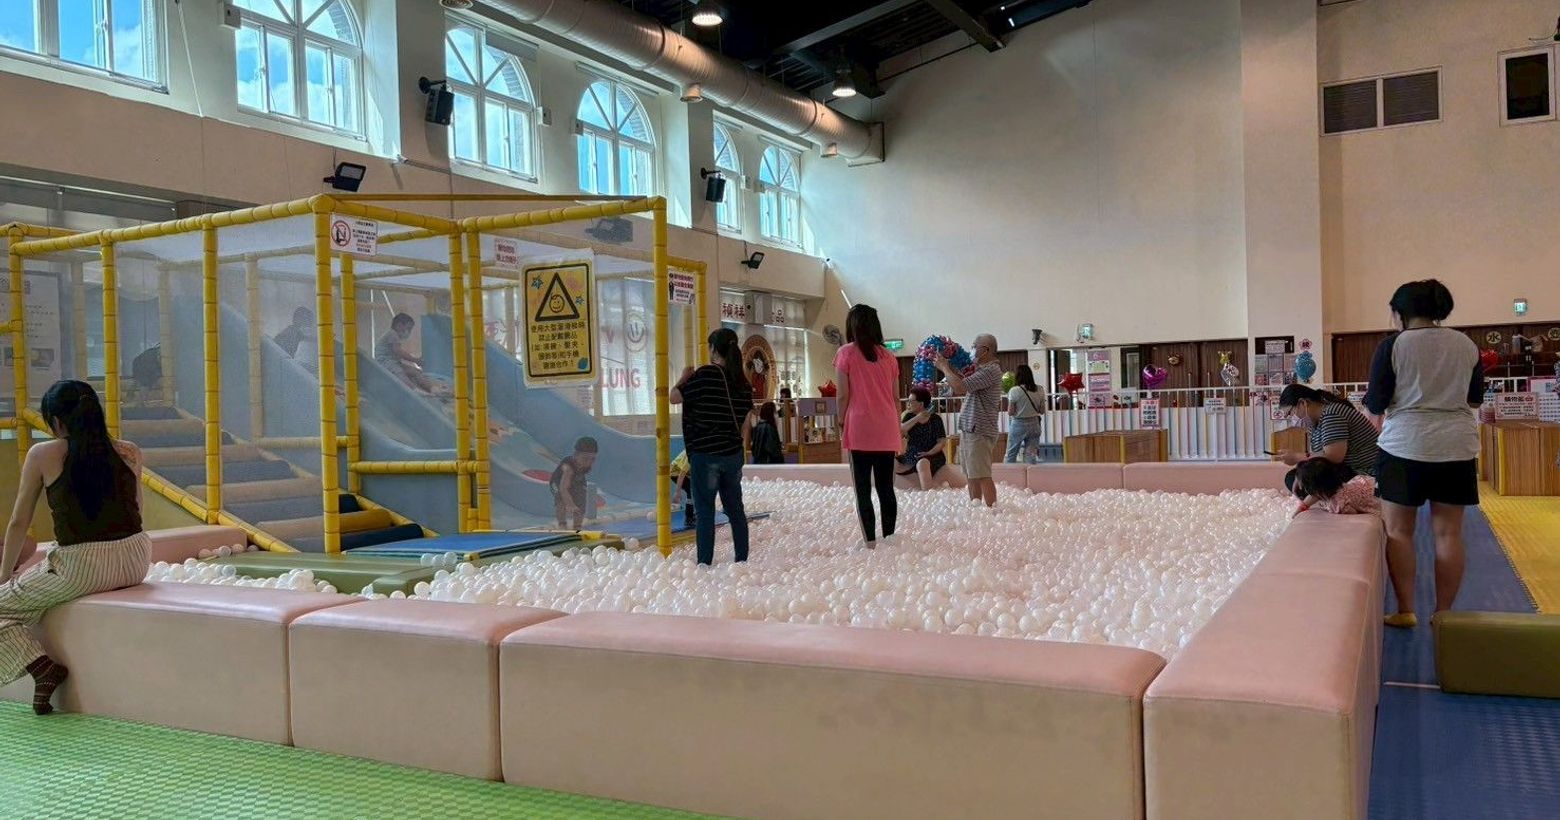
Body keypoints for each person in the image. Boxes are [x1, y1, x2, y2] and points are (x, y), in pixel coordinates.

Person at [0, 380, 151, 716]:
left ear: (56, 421)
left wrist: (5, 576)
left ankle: (41, 667)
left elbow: (18, 522)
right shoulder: (128, 451)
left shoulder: (43, 454)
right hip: (136, 558)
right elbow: (138, 510)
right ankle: (42, 670)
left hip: (83, 567)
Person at [1362, 279, 1483, 629]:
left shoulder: (1393, 346)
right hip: (1456, 446)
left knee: (1399, 532)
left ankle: (1406, 610)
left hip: (1404, 446)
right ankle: (1443, 615)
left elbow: (1376, 404)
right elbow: (1474, 399)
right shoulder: (1465, 344)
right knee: (1449, 534)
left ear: (1399, 313)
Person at [670, 328, 753, 565]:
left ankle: (704, 564)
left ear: (714, 349)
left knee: (705, 511)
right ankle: (742, 561)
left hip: (706, 454)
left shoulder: (706, 374)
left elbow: (674, 397)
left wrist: (683, 378)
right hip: (732, 454)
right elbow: (745, 423)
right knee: (735, 510)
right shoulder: (742, 383)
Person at [833, 305, 902, 546]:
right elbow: (896, 398)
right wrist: (897, 428)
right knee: (886, 489)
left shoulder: (845, 353)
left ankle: (870, 542)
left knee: (862, 489)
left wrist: (840, 421)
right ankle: (890, 538)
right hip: (887, 429)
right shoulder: (889, 357)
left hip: (859, 428)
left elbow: (843, 395)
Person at [935, 333, 1003, 507]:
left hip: (980, 429)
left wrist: (945, 368)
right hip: (969, 428)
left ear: (985, 350)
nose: (971, 349)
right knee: (971, 474)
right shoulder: (978, 369)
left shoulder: (991, 370)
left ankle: (992, 511)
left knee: (982, 474)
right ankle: (976, 509)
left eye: (974, 346)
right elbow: (956, 386)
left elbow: (960, 387)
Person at [1276, 383, 1380, 493]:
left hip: (1365, 474)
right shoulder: (1314, 424)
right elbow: (1318, 457)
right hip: (1346, 469)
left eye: (1290, 413)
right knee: (1295, 476)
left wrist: (1297, 457)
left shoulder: (1332, 414)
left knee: (1308, 478)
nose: (1292, 419)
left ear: (1302, 403)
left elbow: (1334, 456)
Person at [898, 387, 965, 490]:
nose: (908, 404)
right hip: (912, 454)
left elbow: (941, 442)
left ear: (921, 404)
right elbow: (901, 431)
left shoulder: (935, 419)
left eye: (911, 401)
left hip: (933, 454)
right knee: (890, 461)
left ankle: (928, 493)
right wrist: (917, 418)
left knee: (922, 463)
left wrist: (929, 453)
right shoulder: (909, 416)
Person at [375, 313, 440, 396]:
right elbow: (398, 351)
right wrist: (415, 360)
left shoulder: (395, 335)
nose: (409, 332)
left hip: (394, 361)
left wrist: (415, 361)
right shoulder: (392, 334)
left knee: (416, 371)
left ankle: (432, 389)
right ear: (399, 325)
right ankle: (413, 389)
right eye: (408, 329)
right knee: (399, 372)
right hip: (384, 361)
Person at [1292, 458, 1380, 516]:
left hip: (1377, 500)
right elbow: (1312, 497)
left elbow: (1353, 513)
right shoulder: (1335, 487)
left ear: (1313, 489)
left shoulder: (1337, 504)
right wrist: (1300, 509)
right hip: (1369, 484)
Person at [549, 437, 598, 530]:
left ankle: (577, 526)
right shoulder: (568, 468)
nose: (589, 462)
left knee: (581, 502)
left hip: (576, 480)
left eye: (592, 459)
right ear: (575, 455)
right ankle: (562, 524)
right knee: (561, 500)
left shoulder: (584, 463)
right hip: (557, 482)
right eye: (585, 459)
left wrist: (576, 505)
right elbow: (563, 489)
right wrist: (570, 504)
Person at [1004, 364, 1046, 463]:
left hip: (1018, 425)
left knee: (1011, 454)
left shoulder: (1014, 390)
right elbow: (1042, 411)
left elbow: (1010, 412)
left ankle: (1008, 473)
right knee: (1031, 456)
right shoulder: (1040, 389)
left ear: (1017, 376)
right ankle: (1031, 472)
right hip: (1034, 425)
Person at [669, 450, 694, 529]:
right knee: (691, 492)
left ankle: (691, 515)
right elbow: (681, 474)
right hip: (675, 473)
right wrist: (677, 492)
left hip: (685, 473)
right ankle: (689, 519)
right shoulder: (691, 456)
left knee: (694, 491)